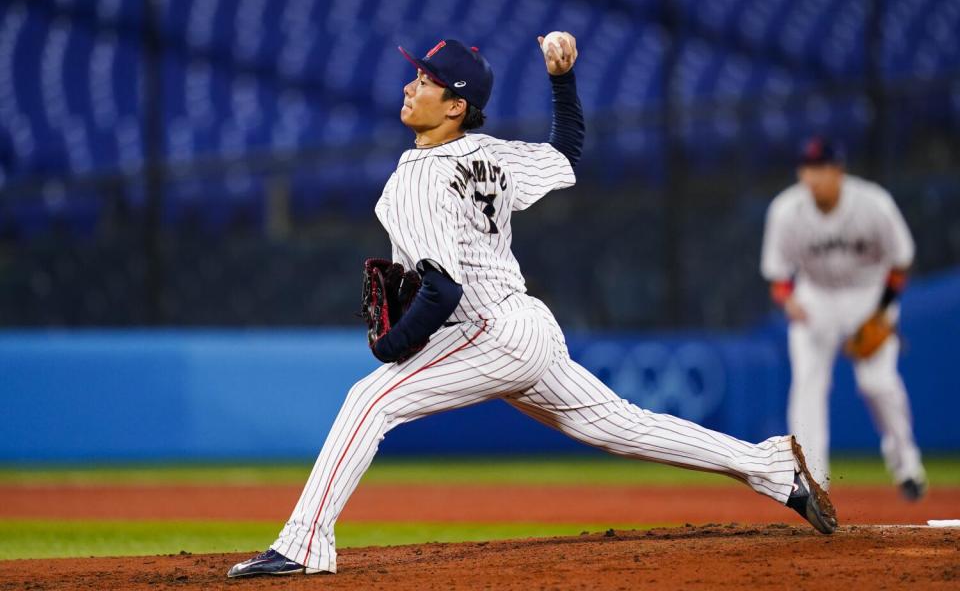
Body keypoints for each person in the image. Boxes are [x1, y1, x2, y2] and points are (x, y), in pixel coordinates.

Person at [227, 34, 836, 578]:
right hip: (525, 327)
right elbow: (567, 152)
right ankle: (770, 468)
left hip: (489, 330)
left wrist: (393, 346)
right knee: (622, 425)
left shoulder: (413, 179)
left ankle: (304, 544)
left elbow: (442, 290)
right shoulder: (492, 155)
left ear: (456, 106)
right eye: (417, 75)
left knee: (368, 399)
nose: (411, 86)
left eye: (426, 81)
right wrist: (562, 79)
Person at [760, 137, 927, 500]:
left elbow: (900, 261)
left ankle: (907, 466)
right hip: (815, 297)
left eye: (820, 168)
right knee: (807, 383)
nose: (812, 177)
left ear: (838, 170)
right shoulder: (786, 210)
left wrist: (882, 314)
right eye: (806, 168)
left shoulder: (873, 203)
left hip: (869, 296)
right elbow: (777, 274)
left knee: (878, 384)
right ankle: (812, 482)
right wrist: (788, 300)